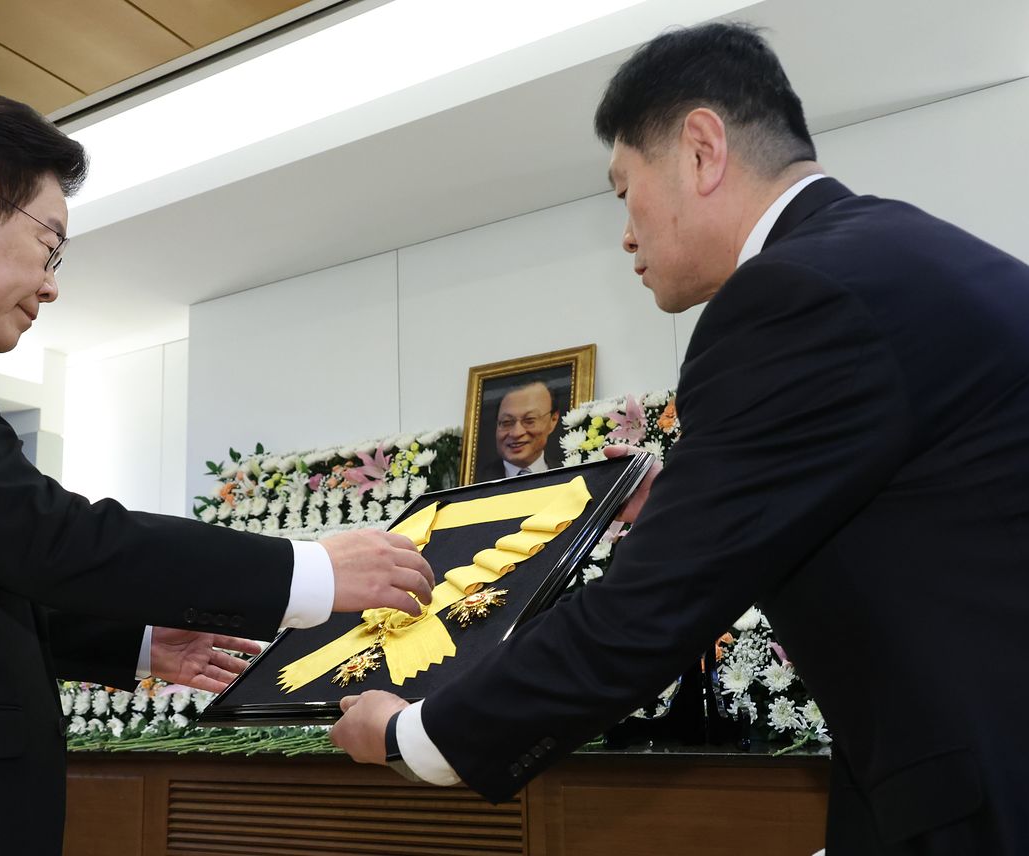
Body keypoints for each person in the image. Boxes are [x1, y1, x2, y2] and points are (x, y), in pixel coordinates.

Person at [331, 21, 1029, 854]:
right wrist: (699, 498)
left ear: (700, 150)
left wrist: (414, 734)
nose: (625, 232)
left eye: (622, 189)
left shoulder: (789, 297)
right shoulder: (906, 252)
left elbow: (642, 617)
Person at [0, 91, 435, 856]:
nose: (50, 284)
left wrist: (138, 640)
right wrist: (307, 569)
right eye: (50, 246)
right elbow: (37, 532)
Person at [476, 378, 562, 480]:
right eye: (506, 422)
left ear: (553, 420)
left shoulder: (570, 476)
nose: (516, 433)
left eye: (529, 420)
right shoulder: (474, 483)